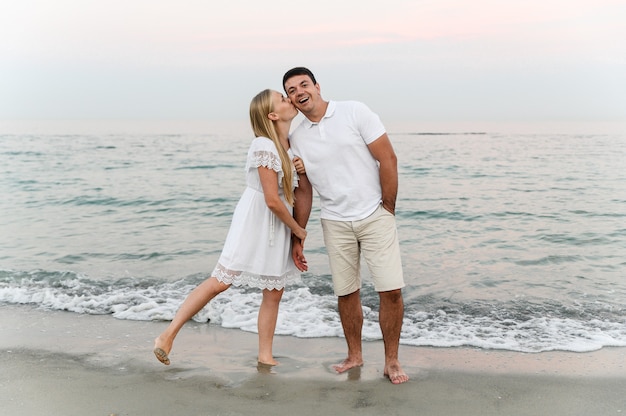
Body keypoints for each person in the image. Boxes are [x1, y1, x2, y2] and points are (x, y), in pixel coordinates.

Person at [153, 89, 307, 367]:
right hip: (257, 219)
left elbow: (291, 194)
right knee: (221, 280)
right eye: (282, 98)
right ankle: (167, 335)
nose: (289, 99)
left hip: (278, 225)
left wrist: (300, 169)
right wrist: (298, 229)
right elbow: (272, 199)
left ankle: (265, 355)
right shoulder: (263, 145)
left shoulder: (291, 147)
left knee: (274, 291)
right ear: (272, 115)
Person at [283, 67, 409, 384]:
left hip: (374, 216)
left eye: (303, 84)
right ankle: (355, 356)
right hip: (335, 222)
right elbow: (304, 190)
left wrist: (388, 208)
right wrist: (299, 235)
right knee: (345, 292)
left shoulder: (354, 111)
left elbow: (388, 159)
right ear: (289, 99)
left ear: (317, 86)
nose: (299, 92)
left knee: (390, 290)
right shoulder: (296, 137)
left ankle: (391, 361)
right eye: (291, 89)